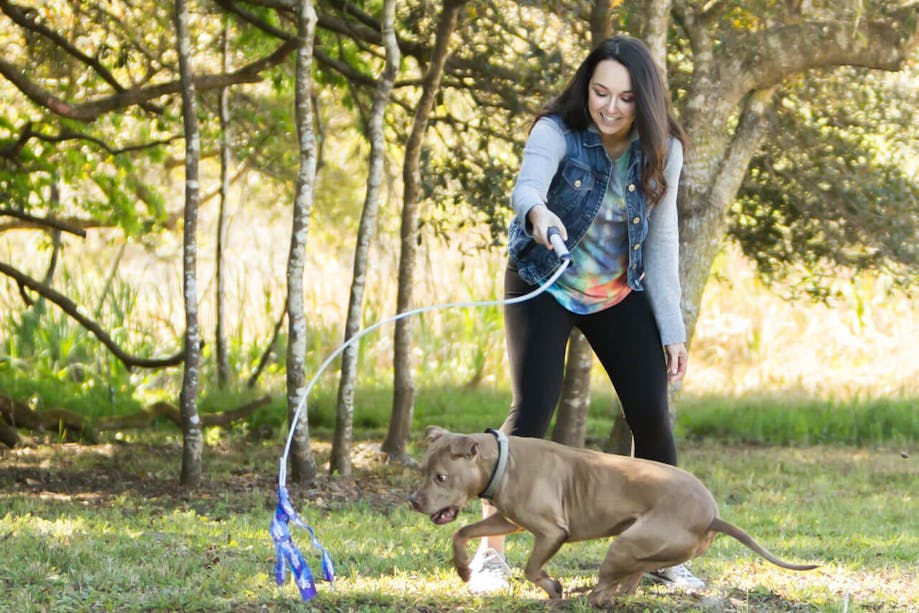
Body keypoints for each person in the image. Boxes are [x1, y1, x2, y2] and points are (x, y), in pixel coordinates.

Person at [467, 36, 703, 593]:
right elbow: (526, 187)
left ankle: (665, 553)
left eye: (624, 97)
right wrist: (541, 215)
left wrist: (672, 330)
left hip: (617, 294)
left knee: (651, 415)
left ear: (645, 100)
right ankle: (489, 555)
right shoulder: (556, 131)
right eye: (601, 92)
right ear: (586, 88)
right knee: (532, 414)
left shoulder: (663, 148)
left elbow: (663, 243)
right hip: (544, 282)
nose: (611, 107)